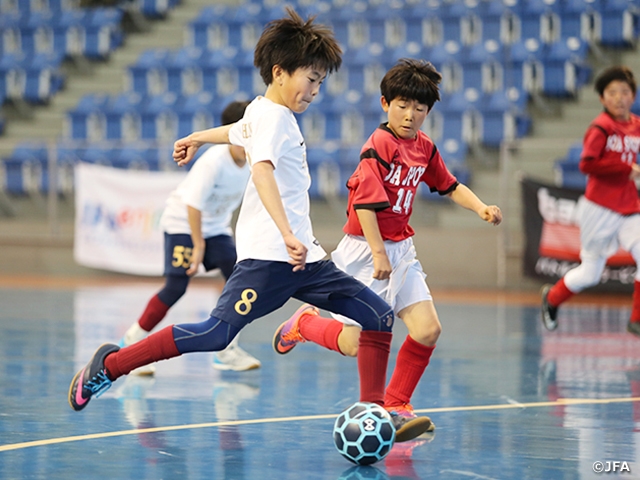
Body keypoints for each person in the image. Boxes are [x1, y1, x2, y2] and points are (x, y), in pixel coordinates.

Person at [68, 8, 432, 443]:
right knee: (215, 335)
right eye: (310, 79)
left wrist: (196, 137)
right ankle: (109, 366)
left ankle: (375, 413)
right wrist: (286, 233)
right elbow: (261, 172)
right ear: (279, 72)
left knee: (378, 315)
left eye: (320, 82)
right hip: (271, 260)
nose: (315, 91)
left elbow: (237, 131)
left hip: (308, 261)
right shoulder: (275, 120)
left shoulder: (262, 111)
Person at [272, 58, 502, 429]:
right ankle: (306, 324)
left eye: (419, 108)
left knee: (428, 329)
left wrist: (481, 208)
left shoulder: (424, 147)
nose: (410, 115)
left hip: (401, 250)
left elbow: (450, 185)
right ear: (385, 104)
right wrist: (379, 253)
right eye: (402, 105)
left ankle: (396, 406)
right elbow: (364, 205)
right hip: (365, 250)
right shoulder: (378, 145)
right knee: (353, 344)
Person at [119, 100, 261, 374]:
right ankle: (132, 342)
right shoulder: (213, 162)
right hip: (183, 223)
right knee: (176, 287)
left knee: (241, 278)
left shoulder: (255, 162)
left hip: (217, 228)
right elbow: (193, 205)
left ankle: (226, 350)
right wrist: (198, 246)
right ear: (232, 133)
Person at [540, 66, 640, 336]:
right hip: (599, 209)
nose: (619, 97)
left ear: (633, 96)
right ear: (602, 99)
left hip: (629, 206)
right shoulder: (601, 127)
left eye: (625, 92)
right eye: (612, 92)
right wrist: (625, 168)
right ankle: (552, 298)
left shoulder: (636, 126)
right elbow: (586, 164)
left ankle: (637, 319)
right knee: (591, 274)